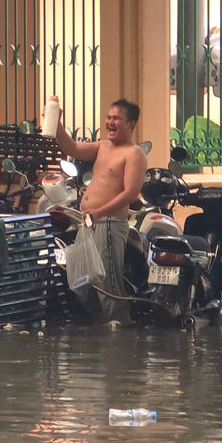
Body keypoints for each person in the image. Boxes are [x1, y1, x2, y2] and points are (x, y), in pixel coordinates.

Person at [53, 97, 148, 322]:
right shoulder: (102, 147)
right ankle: (99, 324)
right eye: (108, 117)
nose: (110, 122)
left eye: (117, 118)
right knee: (83, 278)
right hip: (87, 223)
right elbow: (72, 147)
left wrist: (99, 212)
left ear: (131, 124)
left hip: (108, 224)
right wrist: (56, 121)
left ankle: (119, 327)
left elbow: (130, 193)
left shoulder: (134, 154)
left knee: (108, 283)